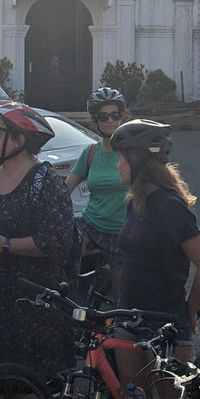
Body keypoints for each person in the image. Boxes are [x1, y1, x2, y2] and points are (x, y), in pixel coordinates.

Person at [0, 103, 75, 399]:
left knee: (24, 390)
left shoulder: (44, 183)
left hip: (28, 310)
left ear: (19, 141)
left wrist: (4, 244)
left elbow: (58, 241)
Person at [113, 119, 200, 399]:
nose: (117, 166)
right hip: (128, 316)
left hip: (165, 321)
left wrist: (190, 311)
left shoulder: (170, 206)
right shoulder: (135, 201)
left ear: (137, 161)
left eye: (121, 159)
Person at [64, 87, 131, 301]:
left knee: (121, 297)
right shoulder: (91, 152)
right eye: (104, 116)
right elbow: (66, 189)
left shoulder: (132, 153)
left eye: (115, 115)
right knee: (63, 262)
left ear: (122, 117)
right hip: (91, 226)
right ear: (96, 120)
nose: (110, 120)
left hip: (122, 232)